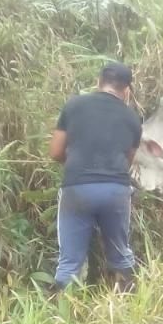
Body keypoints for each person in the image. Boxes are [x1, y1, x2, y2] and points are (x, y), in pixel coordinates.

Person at [49, 62, 142, 292]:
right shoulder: (132, 118)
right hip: (115, 190)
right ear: (127, 90)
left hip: (77, 189)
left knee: (69, 262)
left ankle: (58, 316)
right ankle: (129, 307)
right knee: (121, 257)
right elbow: (127, 162)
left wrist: (79, 166)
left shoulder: (74, 106)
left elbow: (55, 153)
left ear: (99, 82)